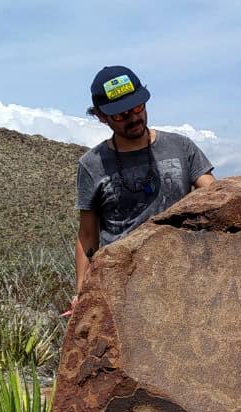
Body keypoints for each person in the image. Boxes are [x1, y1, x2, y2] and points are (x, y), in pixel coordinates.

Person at [72, 65, 215, 298]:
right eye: (121, 115)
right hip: (122, 286)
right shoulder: (91, 165)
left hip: (183, 274)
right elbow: (87, 234)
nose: (134, 117)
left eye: (138, 107)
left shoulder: (181, 147)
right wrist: (82, 291)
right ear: (101, 117)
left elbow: (212, 192)